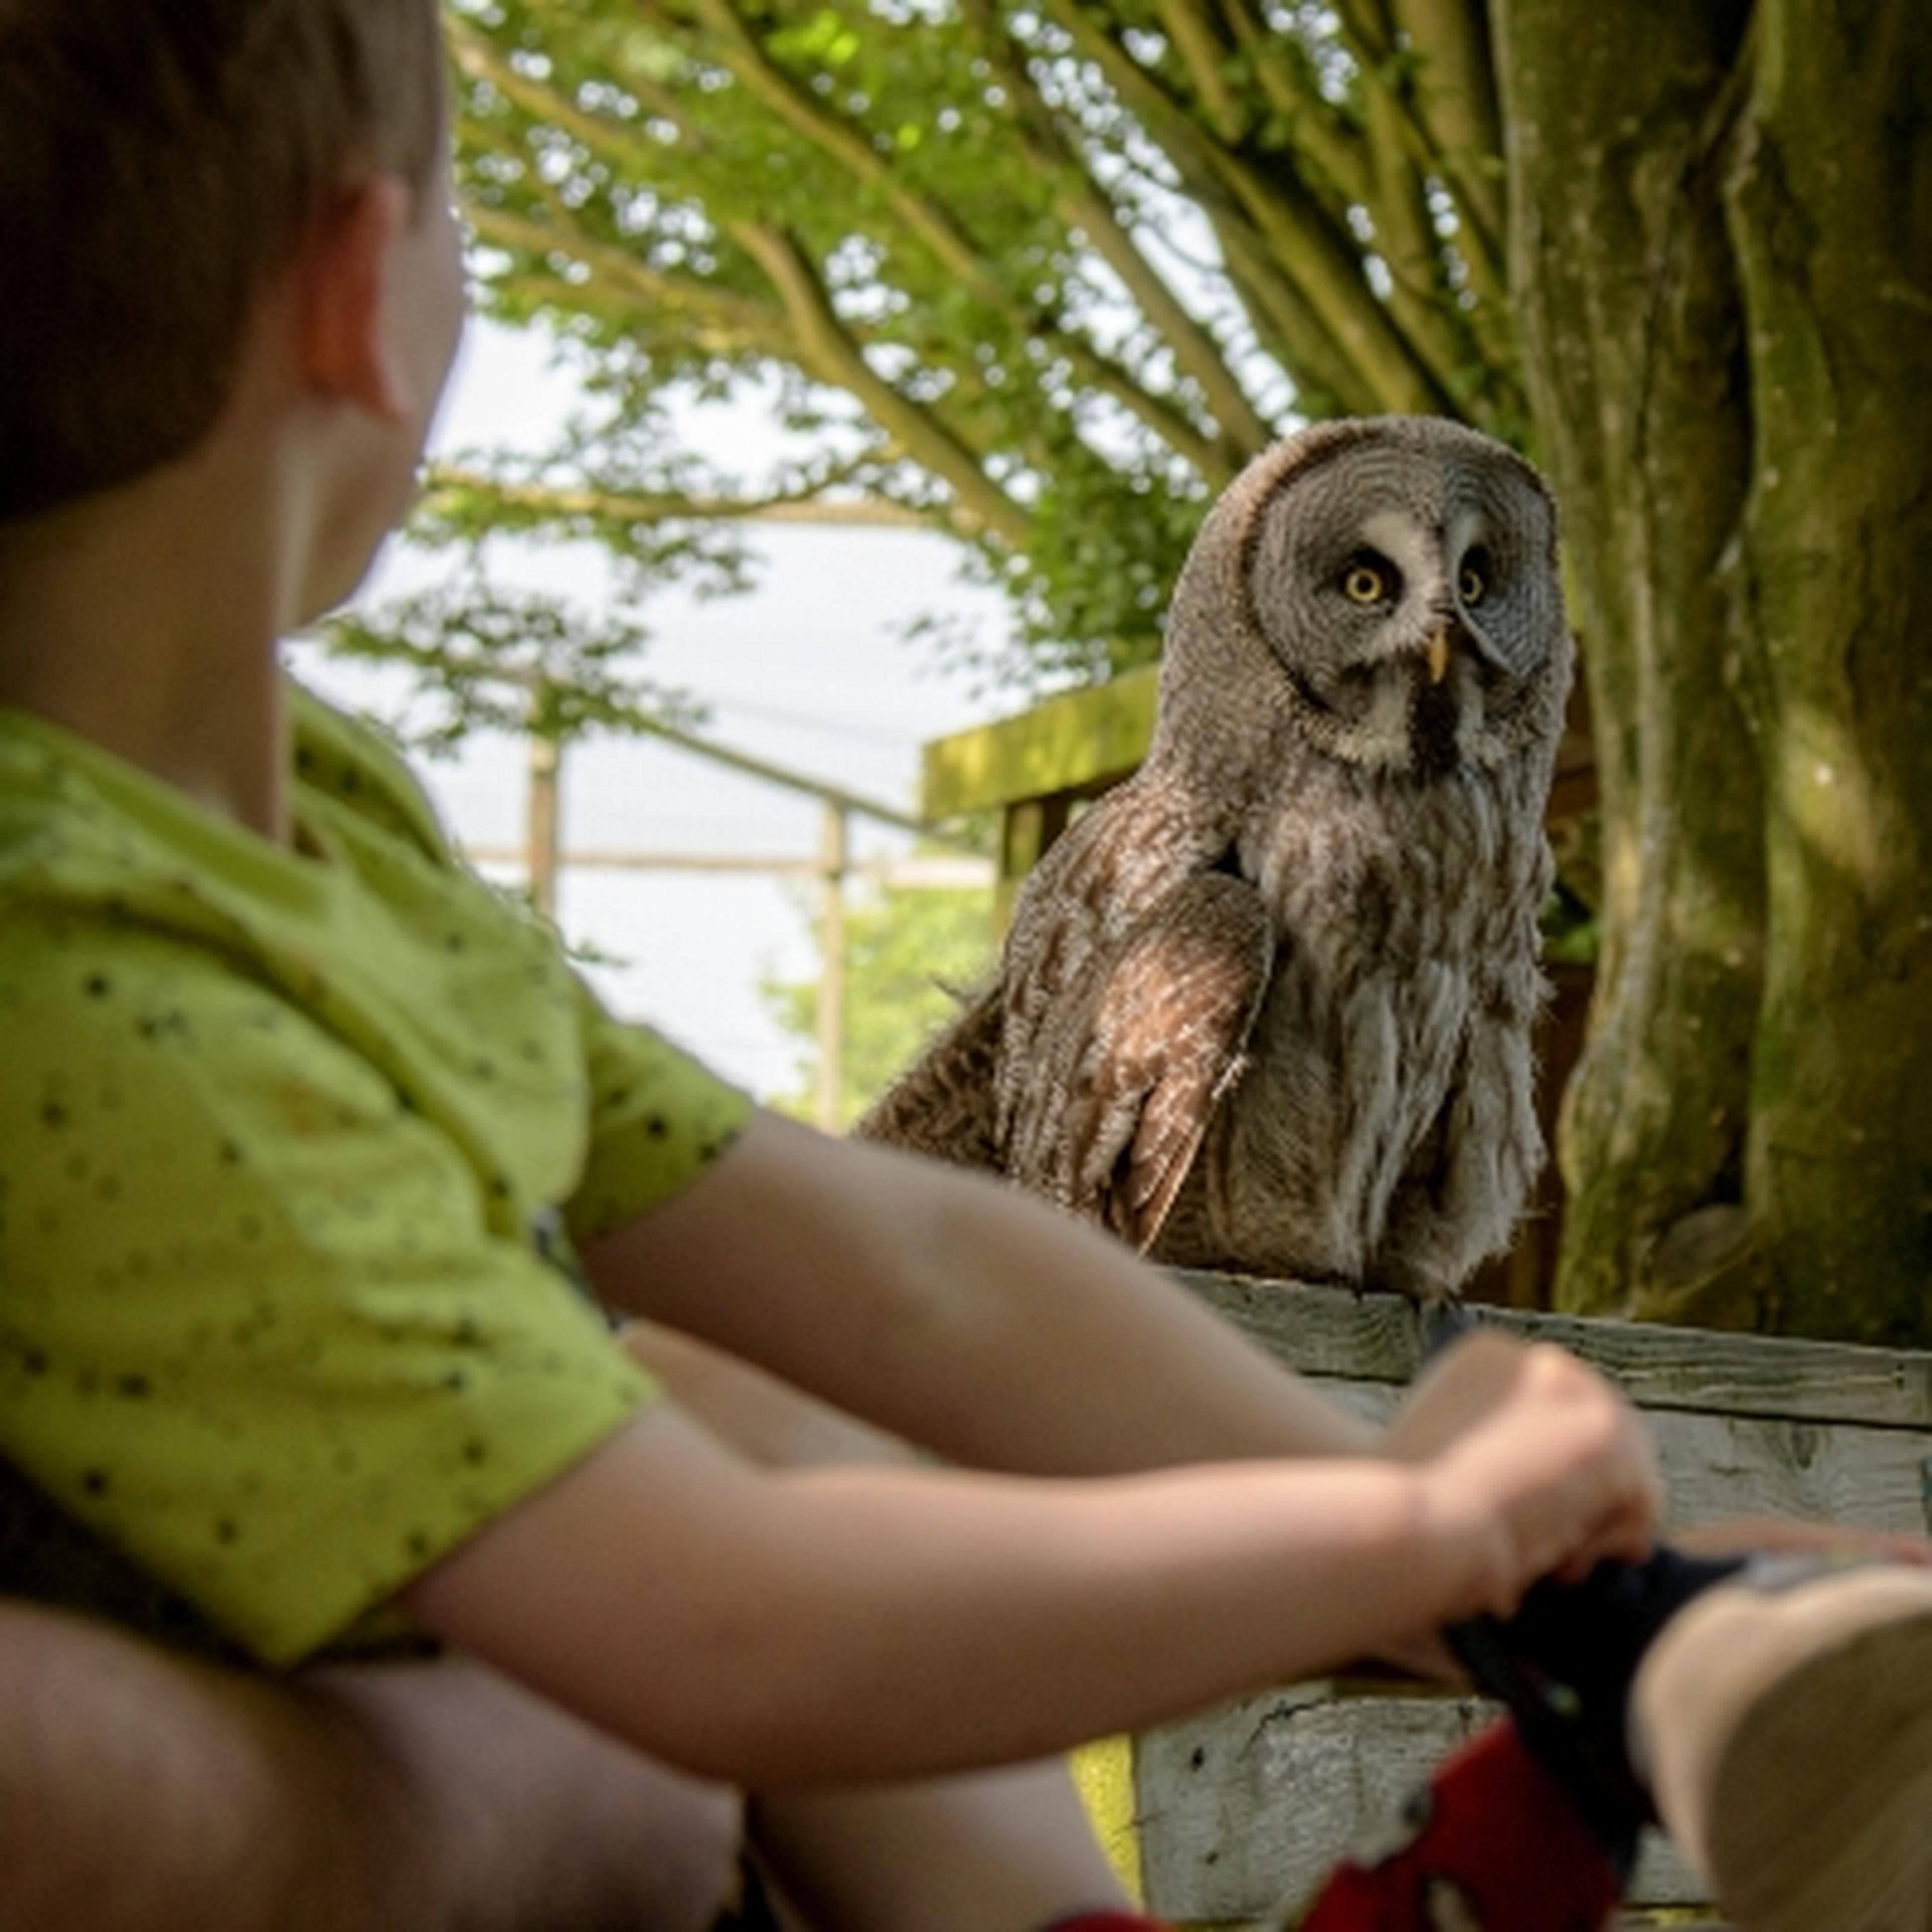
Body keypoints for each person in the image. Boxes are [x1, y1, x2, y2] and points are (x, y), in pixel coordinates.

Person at [2, 5, 1930, 1930]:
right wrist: (1394, 1535)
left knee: (731, 1389)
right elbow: (721, 1622)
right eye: (465, 238)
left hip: (489, 1622)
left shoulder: (314, 815)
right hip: (463, 1692)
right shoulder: (73, 961)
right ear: (358, 295)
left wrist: (1535, 1595)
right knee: (693, 1552)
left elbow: (907, 1264)